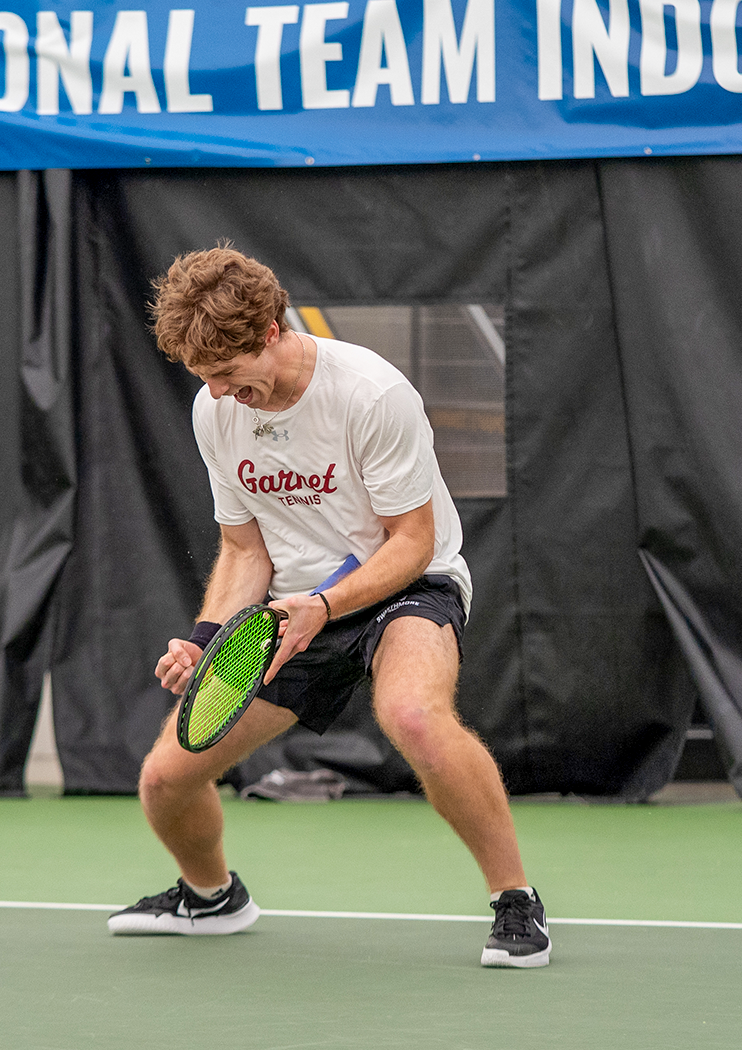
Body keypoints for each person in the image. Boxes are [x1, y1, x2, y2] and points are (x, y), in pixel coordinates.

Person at [103, 245, 549, 968]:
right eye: (204, 379)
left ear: (272, 330)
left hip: (407, 585)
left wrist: (325, 602)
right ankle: (211, 897)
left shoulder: (370, 394)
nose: (217, 394)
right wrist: (206, 637)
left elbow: (411, 541)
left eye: (227, 375)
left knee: (412, 716)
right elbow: (244, 550)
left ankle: (515, 899)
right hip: (290, 612)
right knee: (165, 778)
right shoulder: (215, 412)